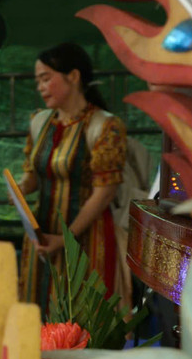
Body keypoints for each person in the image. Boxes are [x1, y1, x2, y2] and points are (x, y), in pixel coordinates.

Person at [18, 42, 127, 311]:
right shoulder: (40, 121)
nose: (40, 87)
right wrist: (18, 189)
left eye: (46, 79)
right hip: (42, 239)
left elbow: (104, 193)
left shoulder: (105, 125)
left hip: (86, 240)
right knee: (38, 310)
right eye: (38, 81)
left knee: (81, 314)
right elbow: (33, 175)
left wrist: (66, 238)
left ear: (74, 76)